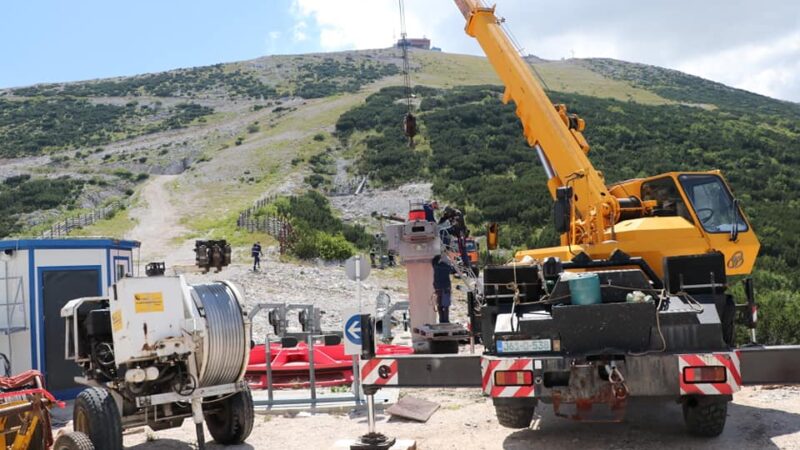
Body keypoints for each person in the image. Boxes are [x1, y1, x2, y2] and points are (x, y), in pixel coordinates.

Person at [432, 255, 452, 323]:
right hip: (446, 288)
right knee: (446, 306)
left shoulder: (436, 266)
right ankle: (446, 320)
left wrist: (438, 255)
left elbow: (433, 261)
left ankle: (441, 320)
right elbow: (452, 270)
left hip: (438, 288)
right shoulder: (447, 267)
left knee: (439, 305)